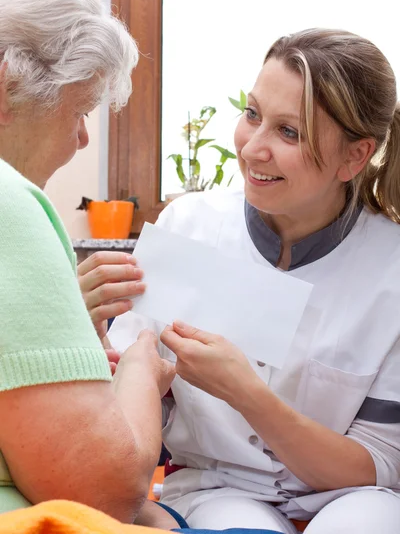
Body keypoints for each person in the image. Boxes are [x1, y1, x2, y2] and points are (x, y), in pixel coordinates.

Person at [109, 28, 400, 533]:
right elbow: (120, 407)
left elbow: (380, 464)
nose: (252, 148)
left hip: (353, 496)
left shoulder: (391, 267)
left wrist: (247, 394)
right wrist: (90, 331)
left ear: (355, 157)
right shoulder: (189, 229)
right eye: (252, 115)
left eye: (290, 132)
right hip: (217, 489)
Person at [0, 0, 174, 521]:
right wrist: (142, 369)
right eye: (80, 112)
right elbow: (105, 489)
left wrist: (59, 325)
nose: (82, 141)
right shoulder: (10, 203)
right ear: (6, 87)